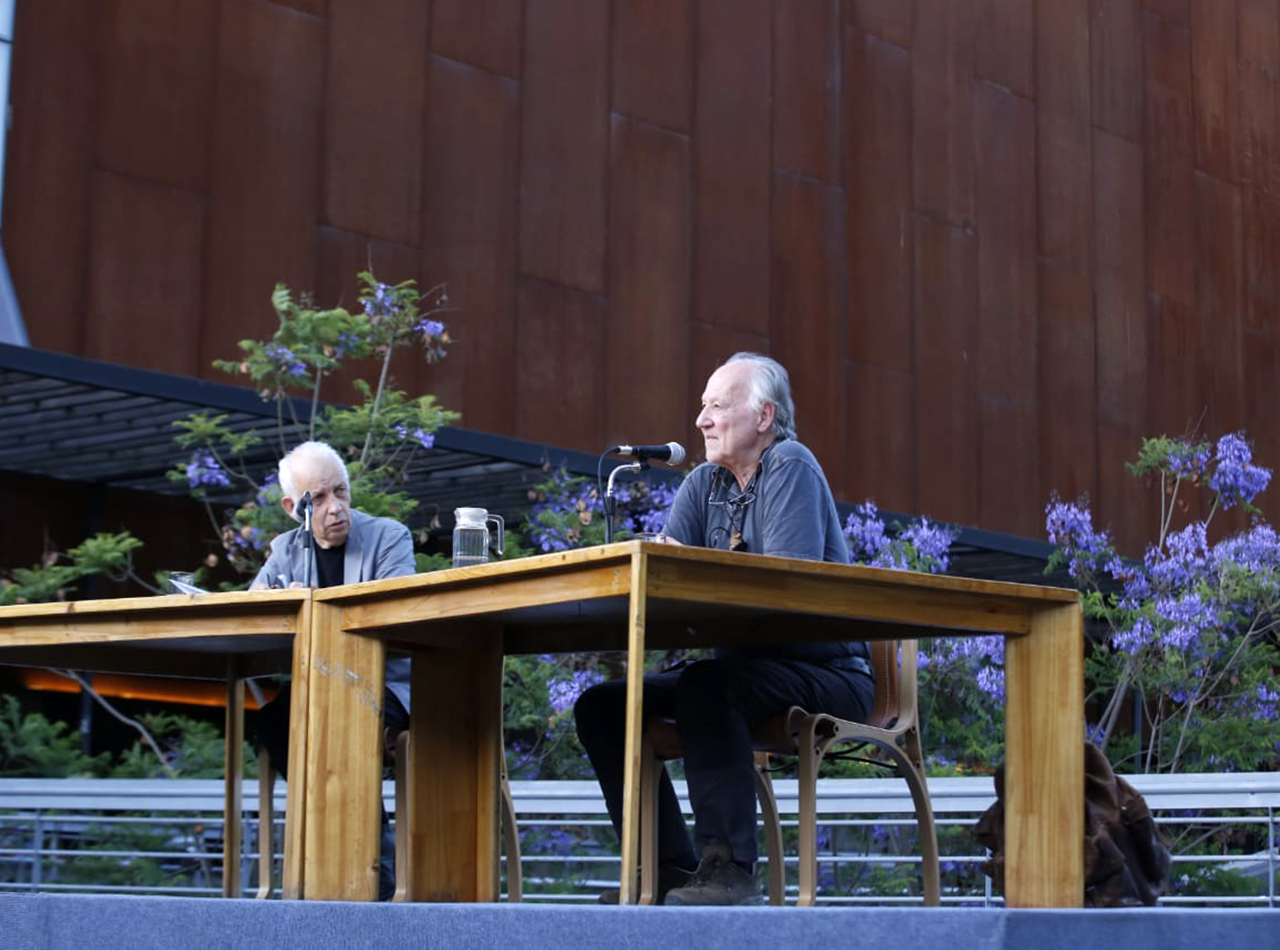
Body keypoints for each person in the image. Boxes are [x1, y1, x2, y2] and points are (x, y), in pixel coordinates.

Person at [574, 352, 875, 906]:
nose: (701, 420)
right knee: (601, 707)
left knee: (706, 686)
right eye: (703, 407)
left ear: (763, 417)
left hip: (826, 669)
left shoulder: (790, 464)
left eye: (717, 405)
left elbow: (785, 592)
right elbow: (668, 581)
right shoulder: (703, 485)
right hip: (743, 670)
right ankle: (662, 868)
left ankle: (729, 870)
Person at [249, 440, 416, 900]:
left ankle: (376, 872)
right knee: (271, 721)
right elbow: (249, 612)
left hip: (382, 686)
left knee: (339, 718)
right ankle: (321, 862)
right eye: (318, 499)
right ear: (291, 507)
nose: (335, 508)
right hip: (317, 690)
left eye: (340, 492)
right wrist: (273, 605)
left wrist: (313, 607)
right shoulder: (285, 550)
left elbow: (395, 613)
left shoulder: (389, 536)